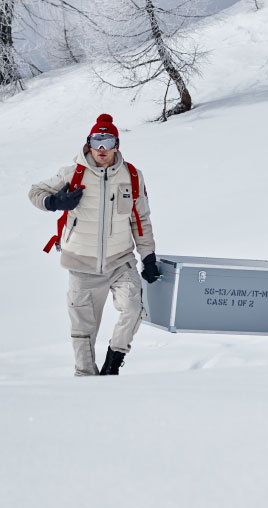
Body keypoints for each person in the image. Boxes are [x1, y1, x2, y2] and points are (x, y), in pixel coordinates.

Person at [28, 113, 160, 376]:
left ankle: (113, 363)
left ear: (117, 145)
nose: (102, 148)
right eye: (97, 140)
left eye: (108, 141)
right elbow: (35, 192)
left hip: (120, 261)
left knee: (133, 309)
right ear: (88, 143)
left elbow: (140, 219)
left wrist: (148, 256)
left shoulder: (132, 176)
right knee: (83, 333)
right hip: (81, 264)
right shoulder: (71, 173)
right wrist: (55, 202)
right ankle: (87, 385)